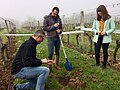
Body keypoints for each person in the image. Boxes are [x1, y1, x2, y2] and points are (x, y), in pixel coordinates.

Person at [92, 5, 115, 69]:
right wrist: (97, 32)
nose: (99, 13)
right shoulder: (96, 19)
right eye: (98, 11)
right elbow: (93, 28)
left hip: (105, 37)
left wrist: (106, 32)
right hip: (97, 37)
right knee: (96, 52)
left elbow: (113, 28)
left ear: (103, 11)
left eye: (100, 11)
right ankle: (97, 63)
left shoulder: (109, 19)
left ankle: (104, 64)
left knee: (105, 52)